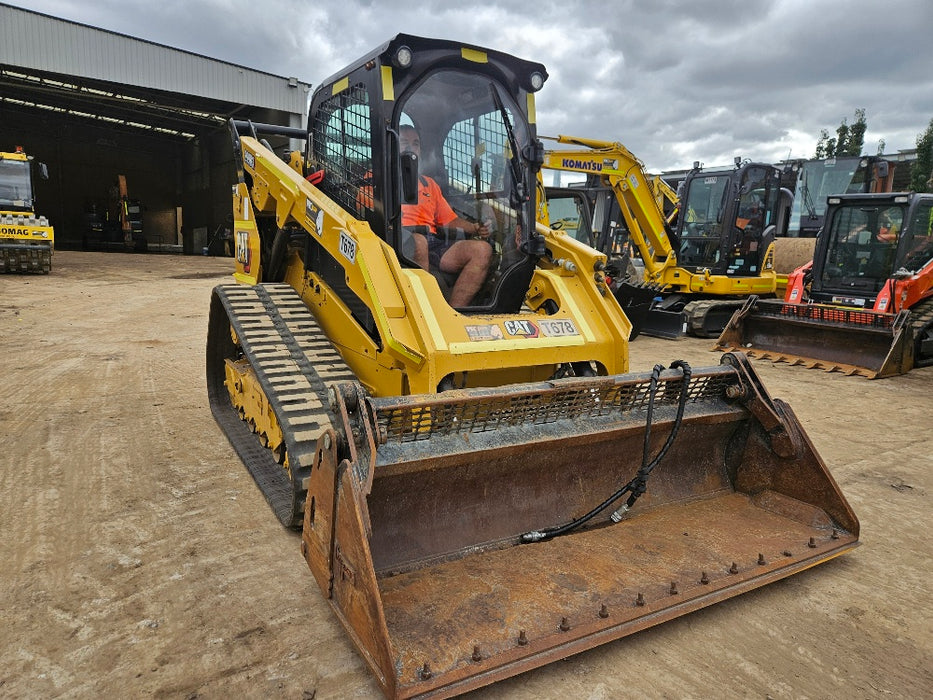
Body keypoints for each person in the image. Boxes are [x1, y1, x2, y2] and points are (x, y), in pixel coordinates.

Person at [399, 125, 492, 307]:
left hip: (431, 242)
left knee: (482, 250)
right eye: (404, 143)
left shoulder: (429, 185)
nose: (411, 148)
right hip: (396, 239)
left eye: (415, 144)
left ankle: (453, 312)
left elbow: (449, 220)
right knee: (418, 242)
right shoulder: (377, 179)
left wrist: (474, 228)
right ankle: (424, 311)